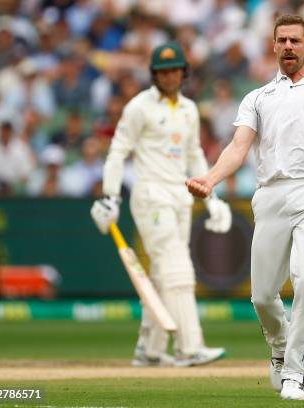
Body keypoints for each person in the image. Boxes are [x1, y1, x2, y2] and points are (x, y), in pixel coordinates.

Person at [186, 15, 304, 400]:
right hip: (271, 193)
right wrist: (210, 179)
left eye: (296, 40)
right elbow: (239, 148)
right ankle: (278, 347)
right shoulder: (258, 97)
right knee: (262, 295)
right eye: (282, 40)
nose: (289, 46)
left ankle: (295, 373)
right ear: (274, 46)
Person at [90, 42, 231, 367]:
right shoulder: (139, 107)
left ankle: (150, 350)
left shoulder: (189, 110)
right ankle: (189, 348)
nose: (170, 76)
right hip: (151, 195)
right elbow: (117, 151)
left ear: (183, 73)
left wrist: (212, 197)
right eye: (163, 71)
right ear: (154, 74)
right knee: (178, 269)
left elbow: (194, 154)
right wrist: (110, 196)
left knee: (162, 275)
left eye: (175, 70)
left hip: (180, 196)